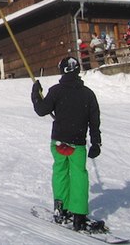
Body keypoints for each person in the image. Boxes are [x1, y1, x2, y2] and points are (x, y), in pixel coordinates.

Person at [31, 56, 102, 232]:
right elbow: (94, 121)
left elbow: (41, 110)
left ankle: (61, 208)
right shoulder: (88, 94)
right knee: (79, 174)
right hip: (77, 143)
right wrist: (96, 143)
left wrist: (35, 95)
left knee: (60, 171)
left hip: (59, 141)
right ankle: (78, 215)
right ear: (78, 70)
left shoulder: (56, 91)